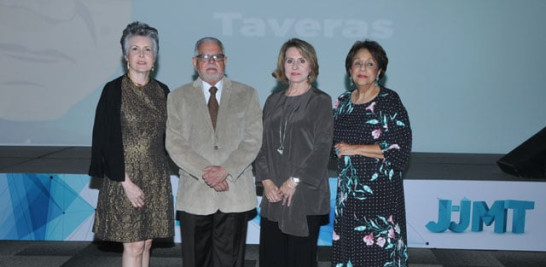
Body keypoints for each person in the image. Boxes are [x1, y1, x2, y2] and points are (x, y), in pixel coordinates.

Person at [165, 37, 263, 267]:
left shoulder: (247, 94)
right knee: (195, 261)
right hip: (195, 195)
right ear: (195, 62)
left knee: (230, 262)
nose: (211, 61)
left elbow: (253, 140)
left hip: (234, 192)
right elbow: (175, 144)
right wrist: (207, 173)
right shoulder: (177, 97)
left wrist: (225, 170)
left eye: (217, 56)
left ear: (225, 61)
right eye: (205, 57)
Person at [88, 21, 174, 267]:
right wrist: (126, 183)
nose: (142, 55)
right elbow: (103, 140)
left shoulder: (163, 91)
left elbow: (172, 138)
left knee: (146, 243)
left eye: (147, 50)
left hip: (155, 179)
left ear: (154, 57)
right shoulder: (114, 90)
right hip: (124, 179)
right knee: (134, 245)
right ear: (126, 56)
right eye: (135, 49)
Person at [331, 40, 412, 266]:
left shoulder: (389, 101)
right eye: (357, 63)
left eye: (369, 64)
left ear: (380, 70)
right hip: (348, 195)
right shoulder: (342, 102)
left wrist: (354, 149)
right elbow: (331, 144)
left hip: (380, 197)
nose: (362, 69)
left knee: (377, 256)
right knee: (350, 253)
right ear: (349, 70)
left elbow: (399, 148)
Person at [255, 38, 333, 267]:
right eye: (290, 61)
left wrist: (295, 180)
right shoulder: (272, 100)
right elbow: (260, 144)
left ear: (311, 67)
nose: (295, 66)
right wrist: (266, 181)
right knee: (271, 259)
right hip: (274, 196)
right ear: (283, 66)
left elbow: (322, 147)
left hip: (305, 195)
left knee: (300, 260)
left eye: (302, 60)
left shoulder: (320, 101)